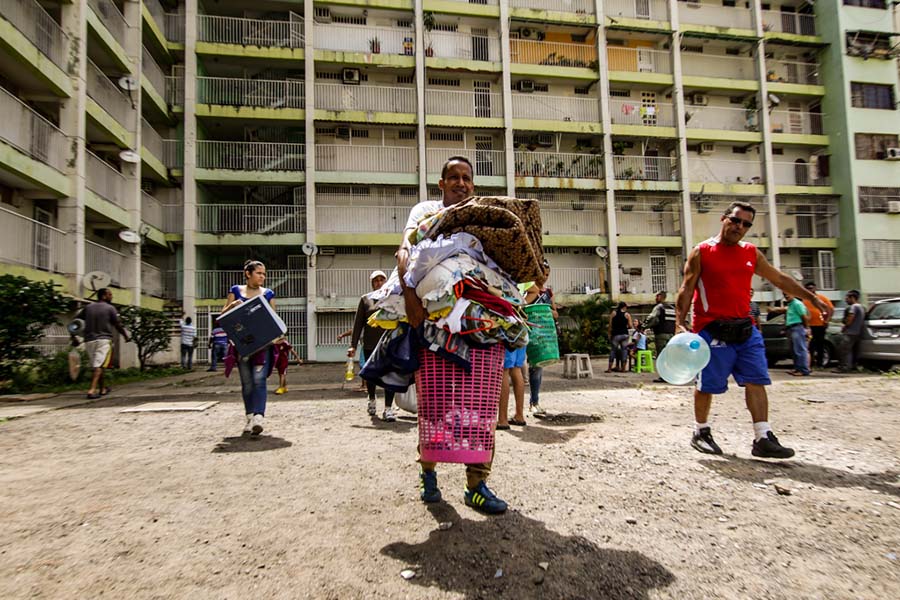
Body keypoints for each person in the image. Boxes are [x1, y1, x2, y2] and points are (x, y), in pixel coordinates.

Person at [396, 155, 507, 515]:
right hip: (433, 321)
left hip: (479, 322)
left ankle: (477, 484)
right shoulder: (425, 210)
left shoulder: (482, 215)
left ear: (473, 185)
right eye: (454, 177)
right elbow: (405, 253)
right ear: (441, 183)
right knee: (434, 403)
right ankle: (428, 473)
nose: (461, 183)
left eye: (467, 178)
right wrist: (410, 297)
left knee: (481, 404)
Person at [675, 201, 827, 459]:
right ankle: (700, 431)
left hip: (745, 328)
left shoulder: (751, 253)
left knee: (757, 379)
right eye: (735, 220)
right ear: (724, 219)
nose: (740, 226)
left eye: (746, 224)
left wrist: (810, 298)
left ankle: (762, 437)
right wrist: (680, 323)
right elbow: (687, 288)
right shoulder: (702, 252)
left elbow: (779, 279)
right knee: (708, 385)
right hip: (712, 329)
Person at [222, 260, 276, 437]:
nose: (262, 276)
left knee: (259, 380)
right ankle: (250, 417)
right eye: (259, 273)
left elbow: (273, 320)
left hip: (262, 346)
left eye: (264, 274)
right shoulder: (236, 291)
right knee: (247, 384)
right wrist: (232, 306)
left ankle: (259, 417)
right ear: (248, 273)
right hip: (242, 347)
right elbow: (223, 317)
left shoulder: (268, 294)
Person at [348, 270, 397, 421]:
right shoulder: (365, 299)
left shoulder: (393, 298)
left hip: (389, 343)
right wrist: (353, 346)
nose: (379, 283)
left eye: (382, 279)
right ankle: (372, 399)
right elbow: (358, 325)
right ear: (372, 283)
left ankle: (388, 408)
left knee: (390, 376)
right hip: (370, 344)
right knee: (371, 375)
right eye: (376, 280)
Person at [74, 288, 129, 399]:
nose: (111, 296)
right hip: (104, 340)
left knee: (98, 365)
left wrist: (73, 337)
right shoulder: (110, 308)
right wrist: (125, 336)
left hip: (89, 340)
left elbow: (75, 323)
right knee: (99, 366)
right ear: (103, 296)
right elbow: (117, 324)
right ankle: (92, 390)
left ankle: (103, 389)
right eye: (110, 294)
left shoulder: (88, 307)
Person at [523, 267, 558, 415]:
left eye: (547, 274)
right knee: (517, 368)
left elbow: (556, 313)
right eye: (543, 273)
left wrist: (546, 310)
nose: (545, 277)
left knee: (537, 368)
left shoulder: (548, 293)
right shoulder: (526, 289)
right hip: (525, 332)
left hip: (542, 336)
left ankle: (534, 402)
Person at [803, 281, 834, 368]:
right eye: (808, 288)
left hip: (820, 325)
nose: (810, 290)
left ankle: (820, 363)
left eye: (811, 288)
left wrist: (827, 320)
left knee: (820, 344)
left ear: (815, 288)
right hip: (809, 326)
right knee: (811, 345)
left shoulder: (821, 298)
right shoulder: (804, 300)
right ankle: (811, 362)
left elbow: (830, 309)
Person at [835, 289, 865, 373]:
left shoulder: (854, 307)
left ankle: (844, 367)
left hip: (850, 332)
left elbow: (850, 317)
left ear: (852, 298)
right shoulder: (861, 307)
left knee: (844, 350)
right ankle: (853, 366)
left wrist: (845, 326)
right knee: (852, 351)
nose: (845, 300)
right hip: (857, 333)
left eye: (847, 298)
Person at [497, 346, 526, 430]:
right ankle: (519, 416)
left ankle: (502, 420)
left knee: (504, 370)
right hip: (522, 335)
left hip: (509, 336)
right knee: (516, 369)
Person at [783, 293, 810, 376]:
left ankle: (803, 370)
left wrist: (806, 328)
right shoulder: (790, 305)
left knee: (800, 349)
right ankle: (797, 368)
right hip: (791, 328)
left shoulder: (797, 303)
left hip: (797, 327)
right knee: (794, 350)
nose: (786, 296)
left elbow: (804, 316)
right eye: (784, 295)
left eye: (788, 294)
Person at [337, 327, 369, 392]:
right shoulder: (365, 327)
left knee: (363, 365)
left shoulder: (364, 326)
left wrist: (342, 335)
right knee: (364, 365)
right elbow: (353, 331)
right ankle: (364, 385)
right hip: (367, 346)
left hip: (366, 346)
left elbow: (354, 331)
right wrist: (342, 335)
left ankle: (365, 386)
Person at [606, 302, 633, 373]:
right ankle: (623, 369)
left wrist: (609, 334)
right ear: (624, 307)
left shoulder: (613, 313)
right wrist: (625, 326)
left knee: (613, 350)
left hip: (616, 335)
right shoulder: (627, 315)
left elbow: (610, 325)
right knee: (624, 350)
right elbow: (630, 326)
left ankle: (609, 368)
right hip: (624, 334)